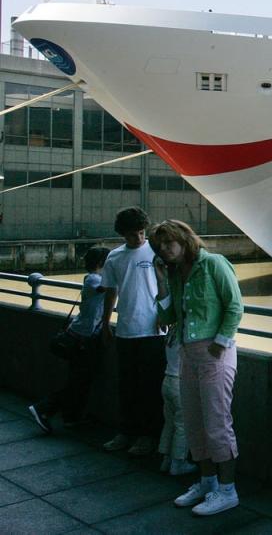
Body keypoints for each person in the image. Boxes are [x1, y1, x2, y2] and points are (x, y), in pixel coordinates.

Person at [151, 219, 243, 516]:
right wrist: (162, 280)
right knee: (194, 422)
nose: (164, 250)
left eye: (169, 243)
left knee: (217, 424)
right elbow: (167, 318)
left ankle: (228, 491)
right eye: (160, 246)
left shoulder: (214, 264)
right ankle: (207, 482)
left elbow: (234, 305)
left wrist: (220, 342)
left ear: (185, 239)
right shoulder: (177, 273)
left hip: (215, 353)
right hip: (187, 354)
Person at [100, 207, 165, 456]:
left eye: (140, 233)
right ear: (122, 235)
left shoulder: (157, 251)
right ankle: (125, 432)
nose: (137, 239)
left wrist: (164, 314)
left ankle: (147, 436)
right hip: (125, 330)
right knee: (126, 385)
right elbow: (110, 291)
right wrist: (106, 324)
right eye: (131, 235)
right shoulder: (115, 257)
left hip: (153, 331)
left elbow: (166, 286)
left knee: (150, 387)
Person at [28, 247, 111, 433]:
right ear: (101, 263)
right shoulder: (93, 279)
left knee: (79, 380)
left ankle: (71, 418)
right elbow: (107, 288)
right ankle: (43, 408)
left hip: (83, 336)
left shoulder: (92, 278)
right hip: (83, 338)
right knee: (79, 381)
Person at [158, 331, 197, 476]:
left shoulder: (172, 333)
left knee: (169, 423)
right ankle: (178, 462)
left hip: (167, 380)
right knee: (183, 425)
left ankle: (165, 459)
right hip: (180, 383)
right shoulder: (188, 334)